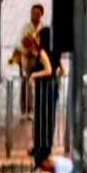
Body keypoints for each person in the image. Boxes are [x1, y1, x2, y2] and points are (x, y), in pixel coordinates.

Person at [30, 25, 60, 164]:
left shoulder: (42, 52)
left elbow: (48, 70)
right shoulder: (55, 50)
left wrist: (34, 75)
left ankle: (40, 147)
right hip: (53, 85)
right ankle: (46, 145)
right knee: (50, 116)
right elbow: (61, 69)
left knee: (41, 117)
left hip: (44, 86)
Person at [10, 4, 44, 114]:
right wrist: (20, 62)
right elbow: (19, 44)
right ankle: (24, 109)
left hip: (38, 59)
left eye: (38, 14)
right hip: (25, 59)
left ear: (41, 15)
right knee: (25, 84)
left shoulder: (42, 29)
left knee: (34, 85)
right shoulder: (25, 27)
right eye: (33, 13)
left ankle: (32, 108)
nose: (35, 16)